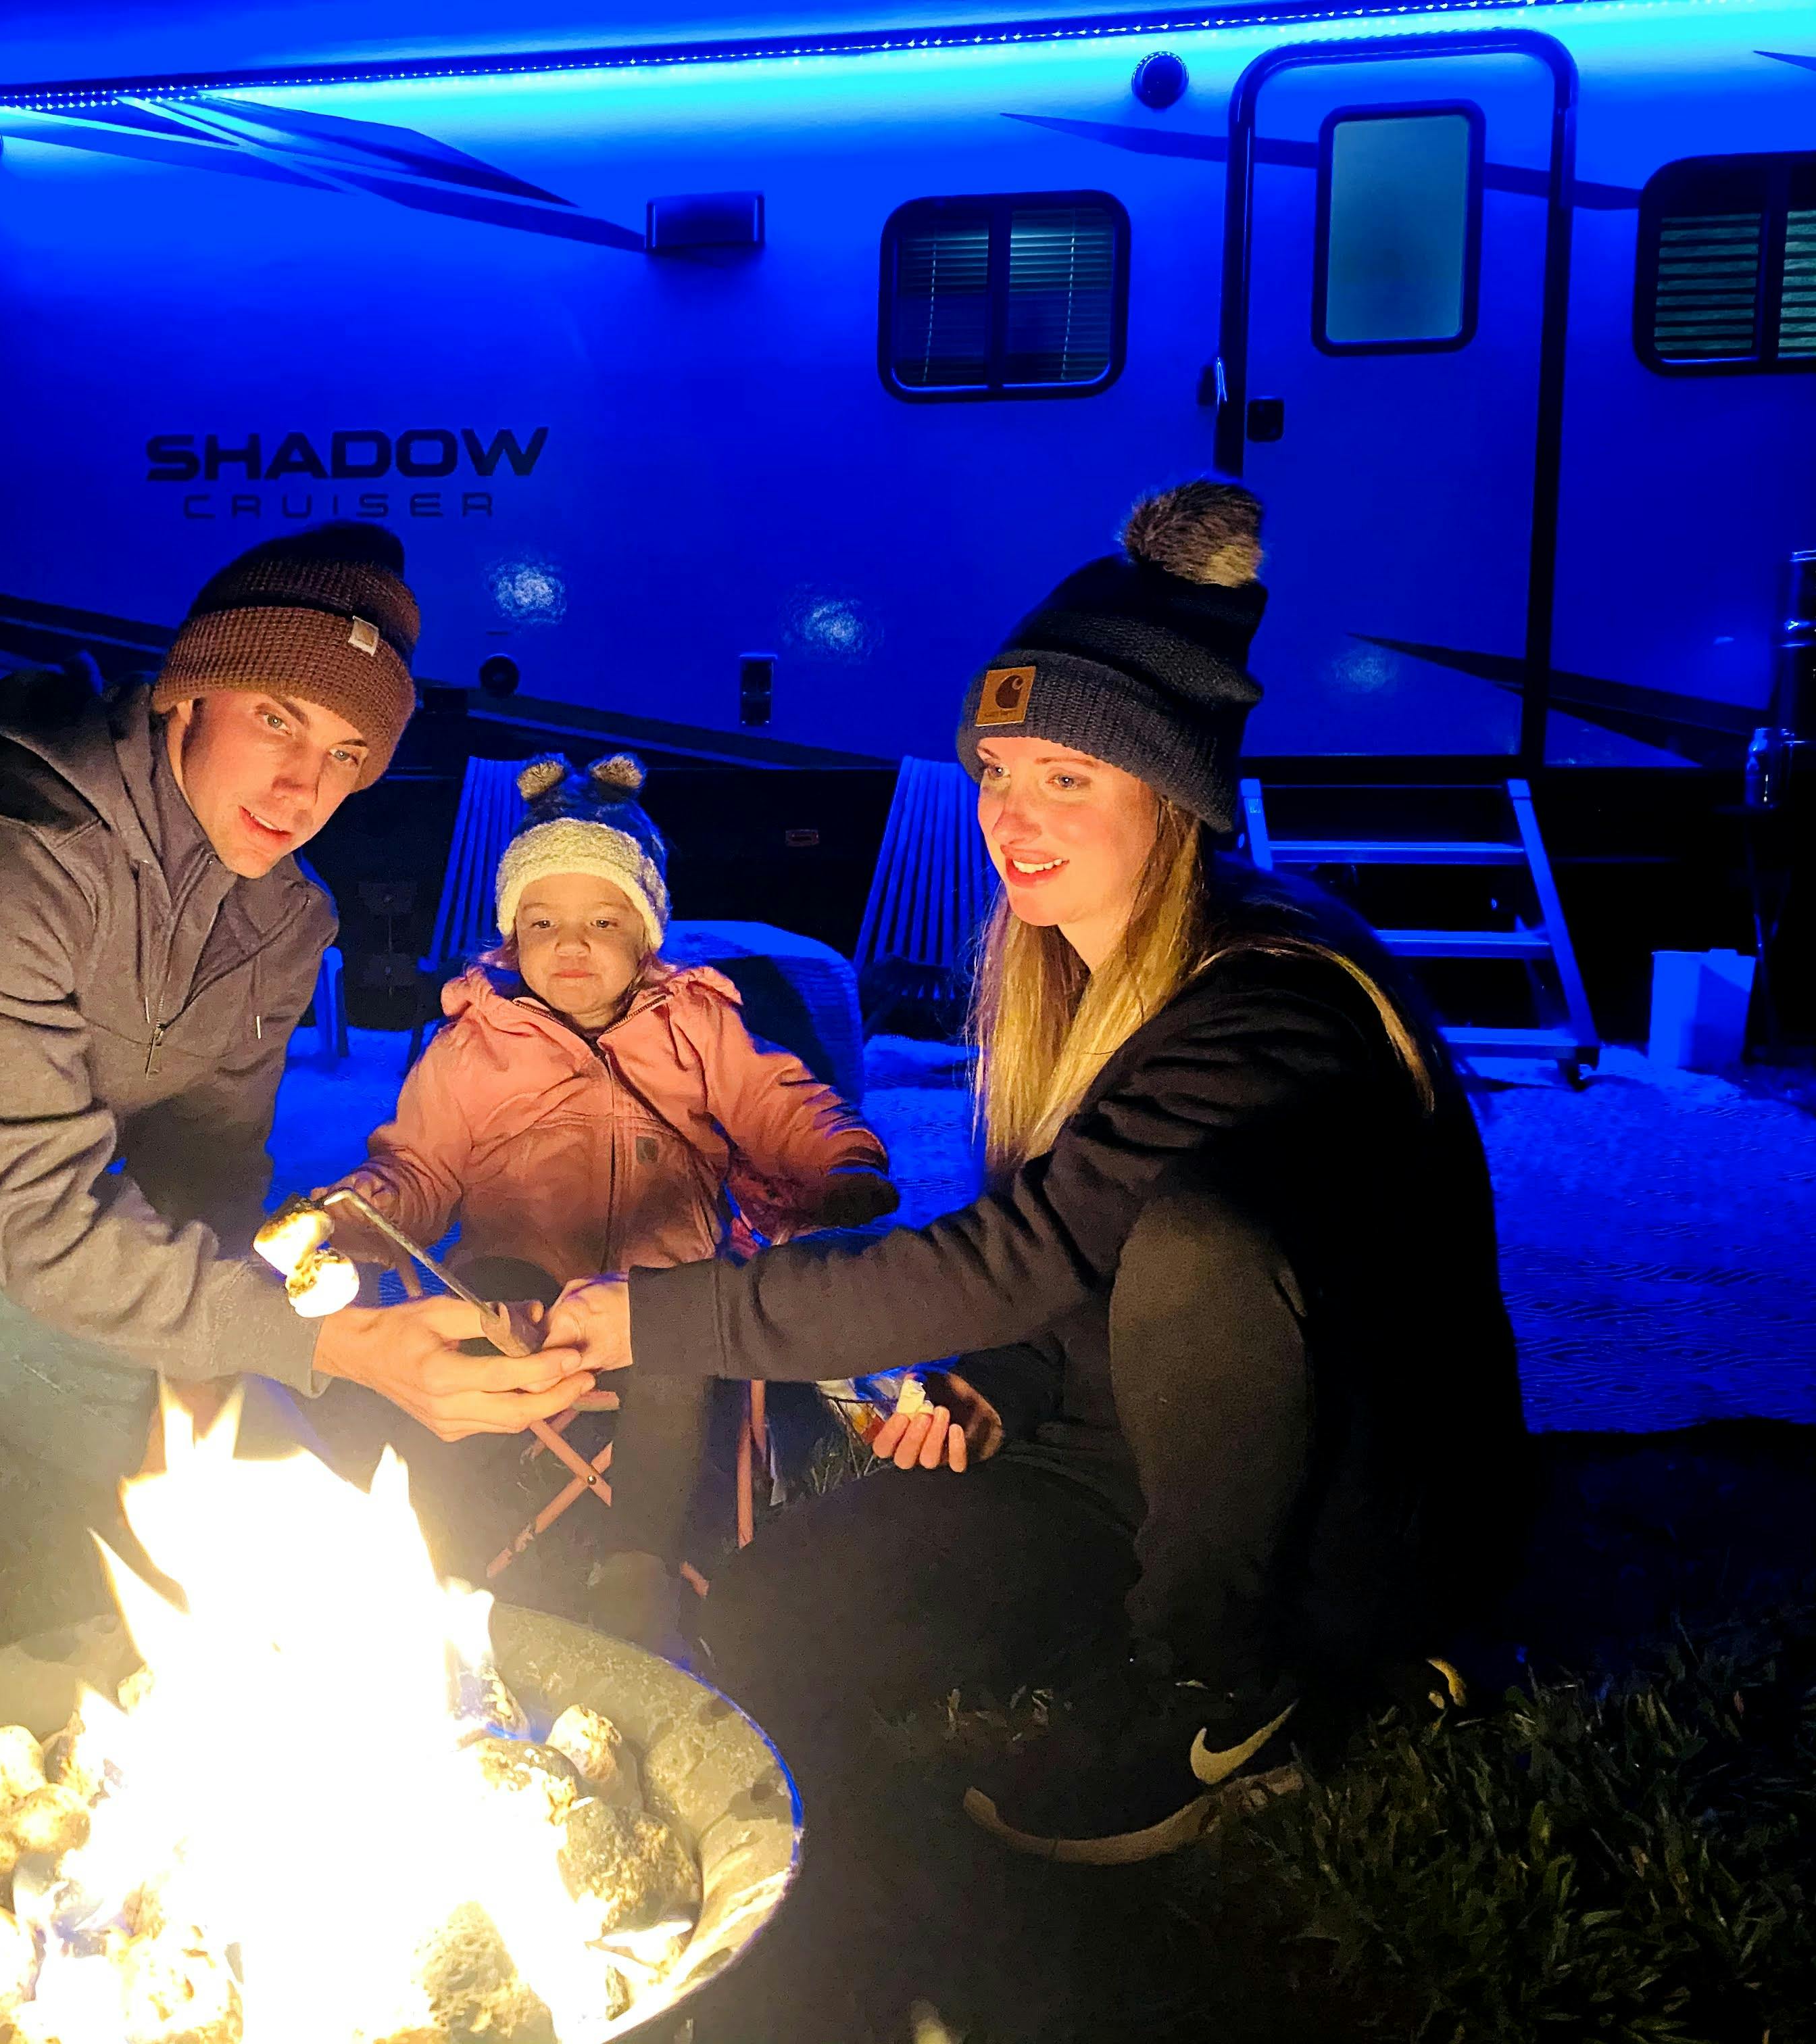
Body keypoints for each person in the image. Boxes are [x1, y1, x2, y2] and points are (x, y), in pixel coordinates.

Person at [544, 482, 1526, 1865]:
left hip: (1334, 1500)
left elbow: (1037, 1258)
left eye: (1070, 776)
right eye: (1000, 772)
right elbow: (1064, 1259)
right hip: (1109, 1465)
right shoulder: (1072, 973)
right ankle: (1148, 1624)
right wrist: (1001, 1377)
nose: (1015, 815)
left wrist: (670, 1317)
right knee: (778, 1612)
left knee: (1199, 1239)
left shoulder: (1274, 999)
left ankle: (1224, 1685)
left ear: (1170, 791)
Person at [0, 524, 593, 1691]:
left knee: (275, 1502)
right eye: (277, 720)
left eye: (348, 754)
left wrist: (196, 1408)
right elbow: (40, 1216)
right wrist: (335, 1343)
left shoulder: (285, 920)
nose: (304, 786)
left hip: (10, 1299)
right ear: (188, 694)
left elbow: (210, 1172)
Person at [317, 753, 893, 1611]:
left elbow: (782, 1104)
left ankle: (636, 1566)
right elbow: (419, 1166)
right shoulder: (474, 1045)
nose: (571, 945)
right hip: (523, 1297)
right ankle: (435, 1548)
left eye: (602, 921)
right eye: (543, 924)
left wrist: (842, 1165)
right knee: (468, 1312)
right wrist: (356, 1216)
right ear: (514, 938)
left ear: (648, 932)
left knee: (671, 1328)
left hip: (660, 1298)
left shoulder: (698, 1023)